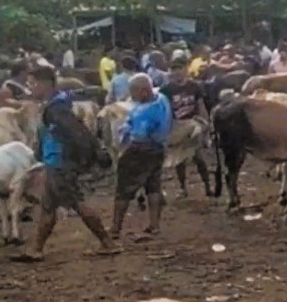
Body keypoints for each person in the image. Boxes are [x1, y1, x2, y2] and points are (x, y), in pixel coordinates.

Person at [16, 67, 117, 260]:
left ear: (45, 84)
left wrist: (94, 152)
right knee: (48, 207)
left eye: (32, 84)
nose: (30, 89)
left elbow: (76, 131)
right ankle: (35, 249)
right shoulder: (56, 103)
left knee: (77, 203)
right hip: (54, 161)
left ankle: (108, 242)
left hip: (60, 163)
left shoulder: (56, 109)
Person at [111, 73, 172, 242]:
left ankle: (115, 229)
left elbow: (139, 135)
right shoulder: (161, 99)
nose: (132, 96)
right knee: (153, 186)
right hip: (158, 148)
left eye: (134, 92)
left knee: (123, 189)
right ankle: (154, 225)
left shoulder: (145, 112)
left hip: (140, 150)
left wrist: (125, 131)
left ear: (144, 91)